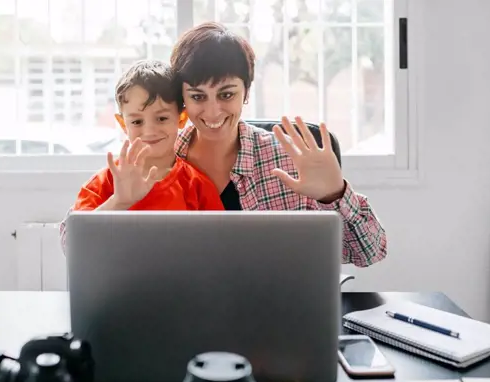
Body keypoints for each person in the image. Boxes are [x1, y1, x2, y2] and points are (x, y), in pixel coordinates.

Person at [168, 22, 387, 268]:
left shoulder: (287, 159)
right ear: (183, 98)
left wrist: (335, 194)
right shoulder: (158, 160)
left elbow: (369, 253)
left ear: (246, 92)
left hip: (275, 303)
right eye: (198, 97)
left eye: (226, 94)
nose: (213, 111)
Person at [59, 60, 224, 251]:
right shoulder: (104, 183)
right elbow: (73, 246)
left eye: (162, 118)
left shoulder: (197, 186)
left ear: (181, 118)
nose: (150, 131)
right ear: (123, 124)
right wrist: (119, 202)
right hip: (118, 281)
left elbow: (218, 249)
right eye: (137, 121)